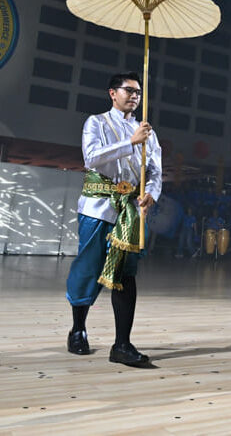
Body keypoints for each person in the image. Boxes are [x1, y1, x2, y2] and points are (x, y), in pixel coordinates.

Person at [65, 72, 162, 367]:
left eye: (138, 92)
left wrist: (151, 193)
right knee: (88, 268)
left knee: (126, 274)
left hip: (129, 210)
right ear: (112, 93)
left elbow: (155, 171)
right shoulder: (96, 123)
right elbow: (91, 158)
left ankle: (122, 344)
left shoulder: (147, 132)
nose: (135, 96)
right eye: (129, 90)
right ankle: (78, 329)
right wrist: (131, 142)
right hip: (97, 207)